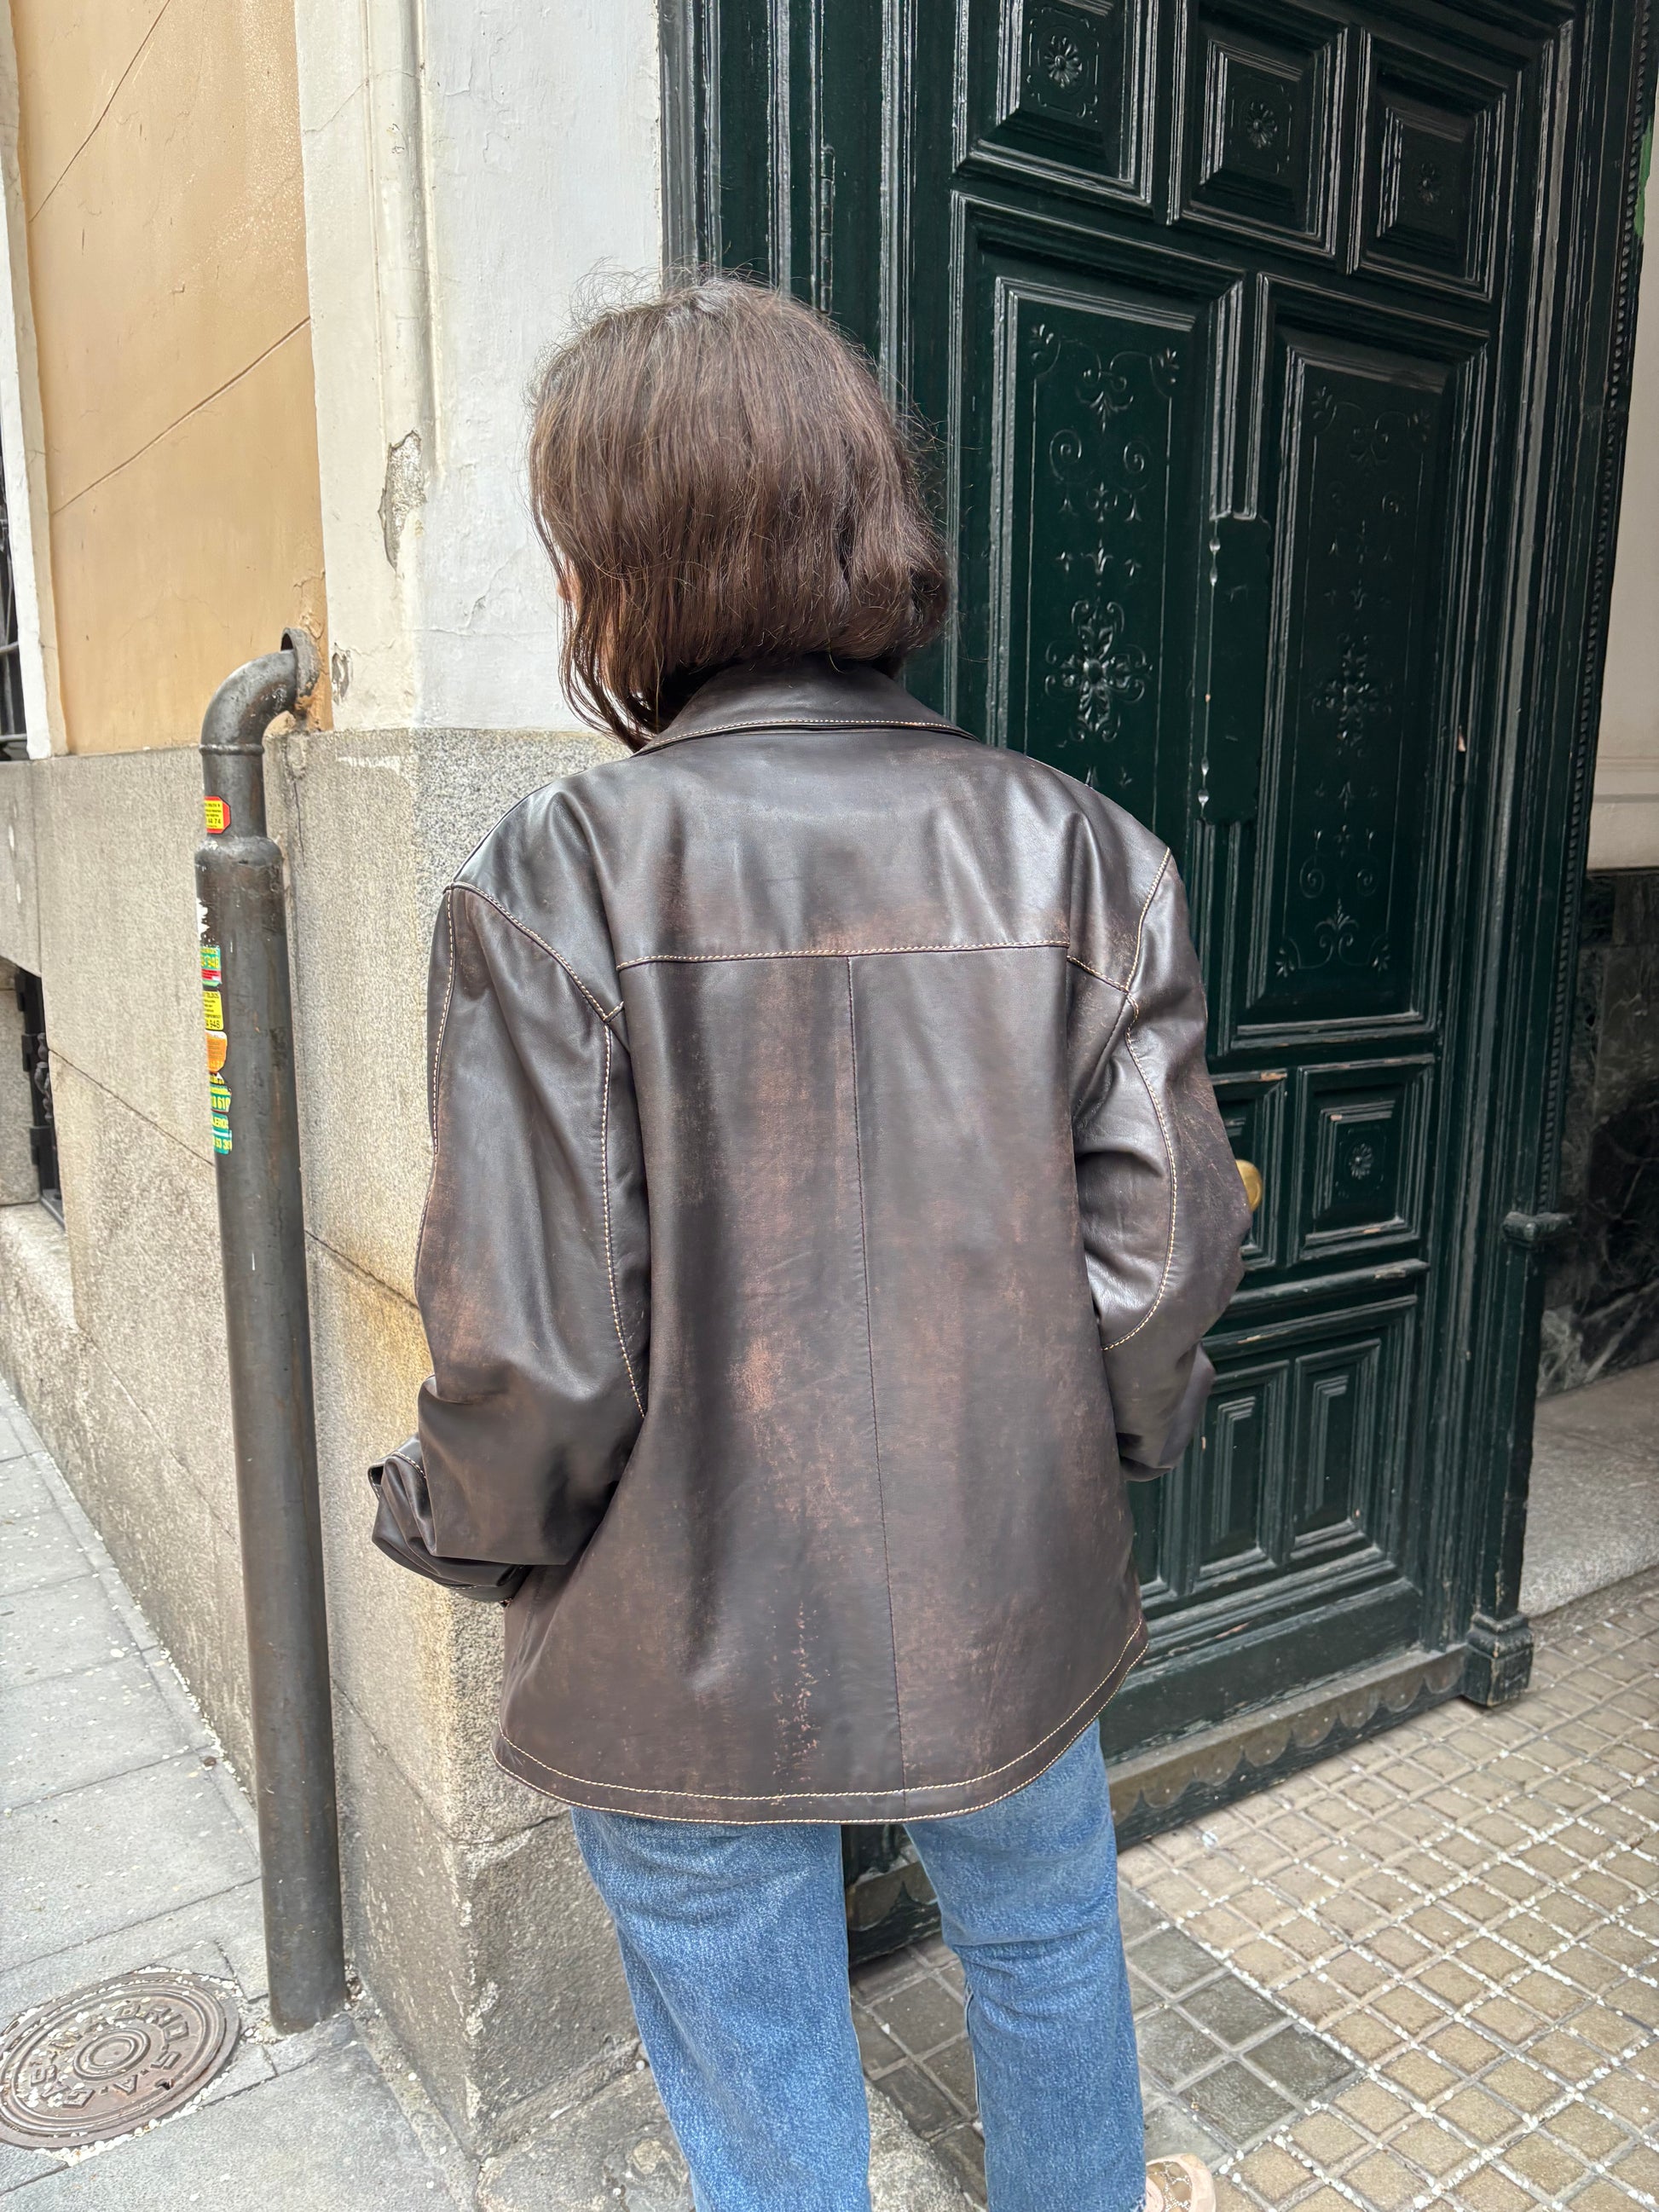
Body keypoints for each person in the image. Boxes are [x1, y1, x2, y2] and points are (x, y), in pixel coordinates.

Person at [370, 275, 1251, 2212]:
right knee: (1045, 1942)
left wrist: (450, 1517)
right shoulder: (1083, 850)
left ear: (619, 565)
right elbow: (1160, 1265)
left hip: (670, 1629)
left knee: (752, 2051)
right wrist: (1071, 1456)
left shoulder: (556, 874)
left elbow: (540, 1346)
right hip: (1005, 1585)